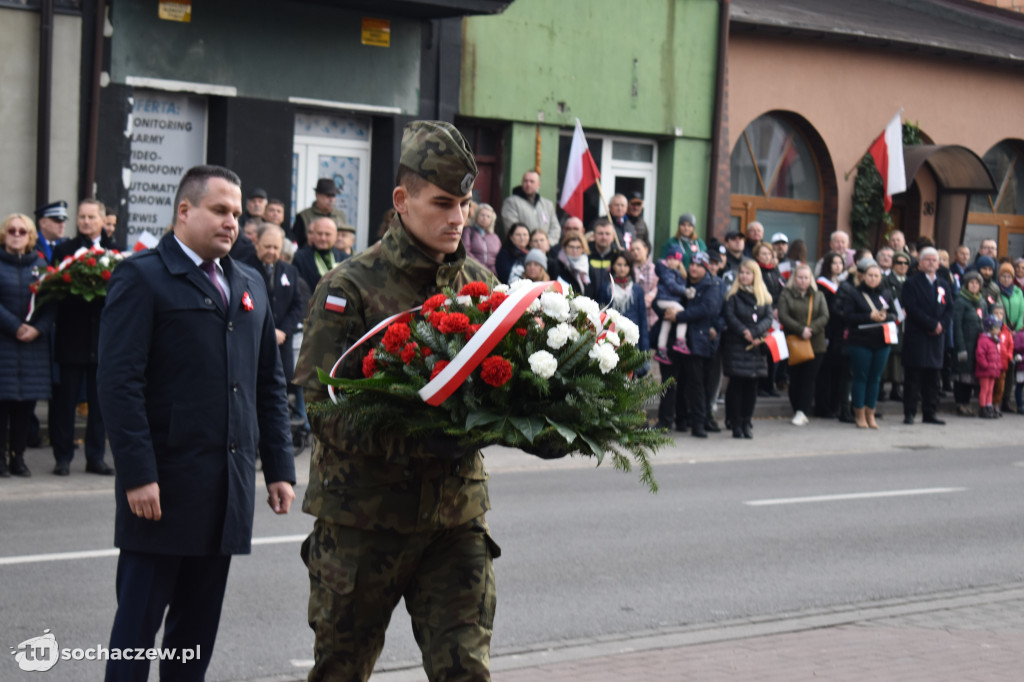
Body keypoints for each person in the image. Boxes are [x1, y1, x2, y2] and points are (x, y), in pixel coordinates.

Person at [294, 120, 503, 681]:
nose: (457, 217)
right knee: (341, 670)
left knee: (467, 673)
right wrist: (411, 434)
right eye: (441, 202)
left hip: (453, 521)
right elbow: (322, 405)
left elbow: (501, 390)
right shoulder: (350, 289)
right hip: (364, 523)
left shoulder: (481, 285)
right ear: (401, 200)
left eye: (464, 202)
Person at [97, 165, 296, 682]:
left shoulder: (248, 282)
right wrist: (137, 473)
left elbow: (267, 384)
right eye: (220, 211)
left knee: (194, 638)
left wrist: (278, 466)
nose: (233, 223)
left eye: (237, 214)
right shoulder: (141, 277)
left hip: (225, 492)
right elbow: (120, 384)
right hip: (161, 490)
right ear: (184, 211)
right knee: (137, 634)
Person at [50, 199, 115, 477]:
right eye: (82, 217)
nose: (86, 221)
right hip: (72, 336)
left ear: (102, 220)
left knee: (99, 404)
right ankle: (62, 457)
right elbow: (54, 291)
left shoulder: (115, 251)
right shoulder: (65, 250)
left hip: (102, 339)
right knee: (65, 402)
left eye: (91, 217)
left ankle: (95, 457)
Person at [0, 214, 54, 477]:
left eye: (23, 231)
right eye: (12, 230)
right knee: (2, 407)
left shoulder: (41, 265)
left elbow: (52, 302)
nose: (17, 234)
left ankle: (18, 458)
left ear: (30, 236)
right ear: (4, 233)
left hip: (32, 347)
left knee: (25, 407)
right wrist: (15, 326)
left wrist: (38, 329)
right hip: (4, 344)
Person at [669, 251, 723, 438]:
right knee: (681, 381)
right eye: (692, 264)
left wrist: (680, 316)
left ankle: (699, 422)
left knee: (698, 384)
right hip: (680, 341)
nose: (694, 268)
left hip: (699, 342)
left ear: (706, 268)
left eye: (699, 265)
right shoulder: (682, 282)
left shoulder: (711, 285)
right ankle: (681, 419)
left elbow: (708, 308)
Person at [721, 259, 773, 438]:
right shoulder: (732, 296)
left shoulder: (763, 297)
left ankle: (746, 421)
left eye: (748, 273)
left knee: (752, 387)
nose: (744, 276)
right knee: (736, 386)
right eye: (741, 273)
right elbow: (730, 316)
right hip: (737, 346)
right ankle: (735, 423)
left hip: (756, 347)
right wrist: (744, 331)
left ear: (755, 276)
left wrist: (756, 332)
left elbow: (768, 317)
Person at [902, 247, 952, 425]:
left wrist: (941, 325)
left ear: (938, 264)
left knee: (933, 377)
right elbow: (911, 307)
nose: (931, 263)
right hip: (918, 335)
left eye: (934, 260)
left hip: (936, 337)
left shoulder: (943, 284)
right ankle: (909, 412)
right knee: (913, 377)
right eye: (927, 260)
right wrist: (931, 324)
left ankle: (930, 412)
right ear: (920, 263)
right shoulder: (911, 283)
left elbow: (949, 308)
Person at [843, 261, 896, 429]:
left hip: (882, 341)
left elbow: (895, 314)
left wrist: (884, 317)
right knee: (861, 377)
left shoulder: (886, 293)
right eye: (870, 275)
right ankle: (859, 414)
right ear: (863, 276)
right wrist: (869, 316)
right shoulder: (854, 293)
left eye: (876, 276)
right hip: (860, 341)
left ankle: (870, 413)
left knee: (875, 378)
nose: (873, 279)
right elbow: (848, 316)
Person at [778, 264, 829, 426]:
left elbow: (824, 315)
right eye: (800, 277)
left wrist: (811, 329)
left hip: (815, 343)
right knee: (796, 377)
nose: (803, 281)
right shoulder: (786, 295)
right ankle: (796, 409)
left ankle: (802, 411)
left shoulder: (818, 295)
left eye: (806, 277)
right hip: (794, 341)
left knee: (809, 378)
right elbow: (783, 315)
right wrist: (800, 330)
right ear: (794, 278)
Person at [814, 252, 851, 420]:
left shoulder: (843, 284)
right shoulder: (821, 285)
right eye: (834, 263)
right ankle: (823, 406)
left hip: (840, 334)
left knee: (838, 370)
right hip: (826, 332)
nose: (837, 266)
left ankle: (835, 405)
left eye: (840, 263)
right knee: (825, 371)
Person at [599, 252, 650, 369]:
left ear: (630, 267)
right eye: (619, 264)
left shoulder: (637, 290)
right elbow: (600, 316)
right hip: (610, 339)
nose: (622, 268)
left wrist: (645, 350)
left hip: (632, 340)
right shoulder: (606, 288)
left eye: (626, 265)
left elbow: (642, 319)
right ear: (613, 266)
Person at [881, 253, 911, 401]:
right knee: (889, 354)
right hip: (891, 319)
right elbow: (885, 298)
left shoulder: (909, 281)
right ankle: (881, 387)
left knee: (900, 355)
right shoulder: (886, 281)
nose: (903, 266)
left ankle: (896, 387)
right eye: (899, 262)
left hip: (906, 321)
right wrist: (896, 312)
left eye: (906, 263)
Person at [501, 170, 560, 243]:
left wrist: (547, 243)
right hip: (522, 250)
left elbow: (555, 228)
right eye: (525, 181)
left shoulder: (547, 204)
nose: (528, 184)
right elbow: (512, 228)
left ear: (538, 184)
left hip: (546, 249)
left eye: (532, 181)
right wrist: (531, 243)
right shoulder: (511, 202)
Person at [653, 250, 689, 363]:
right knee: (682, 312)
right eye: (671, 259)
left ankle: (661, 349)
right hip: (664, 300)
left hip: (670, 302)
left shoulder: (678, 272)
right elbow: (671, 286)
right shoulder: (666, 271)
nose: (673, 261)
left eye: (676, 259)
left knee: (666, 322)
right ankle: (680, 340)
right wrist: (685, 291)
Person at [294, 216, 345, 292]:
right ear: (313, 234)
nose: (323, 238)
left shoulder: (344, 259)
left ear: (335, 236)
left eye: (327, 234)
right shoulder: (299, 258)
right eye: (319, 233)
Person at [293, 178, 346, 248]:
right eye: (328, 195)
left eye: (333, 195)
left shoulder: (340, 216)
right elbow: (296, 243)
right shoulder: (304, 216)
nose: (331, 199)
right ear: (317, 195)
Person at [975, 314, 1003, 419]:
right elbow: (980, 354)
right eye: (996, 328)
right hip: (985, 370)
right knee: (985, 389)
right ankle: (983, 408)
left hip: (993, 370)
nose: (999, 330)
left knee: (991, 389)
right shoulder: (984, 340)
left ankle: (989, 406)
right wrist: (985, 365)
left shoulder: (995, 340)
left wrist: (998, 366)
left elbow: (998, 355)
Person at [630, 237, 659, 332]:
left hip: (650, 315)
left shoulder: (654, 268)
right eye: (632, 250)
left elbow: (657, 288)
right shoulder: (629, 269)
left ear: (646, 249)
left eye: (638, 249)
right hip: (633, 313)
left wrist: (645, 300)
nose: (635, 252)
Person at [462, 202, 500, 274]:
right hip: (473, 270)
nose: (485, 218)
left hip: (491, 273)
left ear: (492, 220)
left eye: (488, 216)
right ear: (476, 216)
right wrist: (481, 266)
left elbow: (499, 257)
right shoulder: (468, 231)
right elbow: (465, 251)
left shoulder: (495, 237)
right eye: (482, 215)